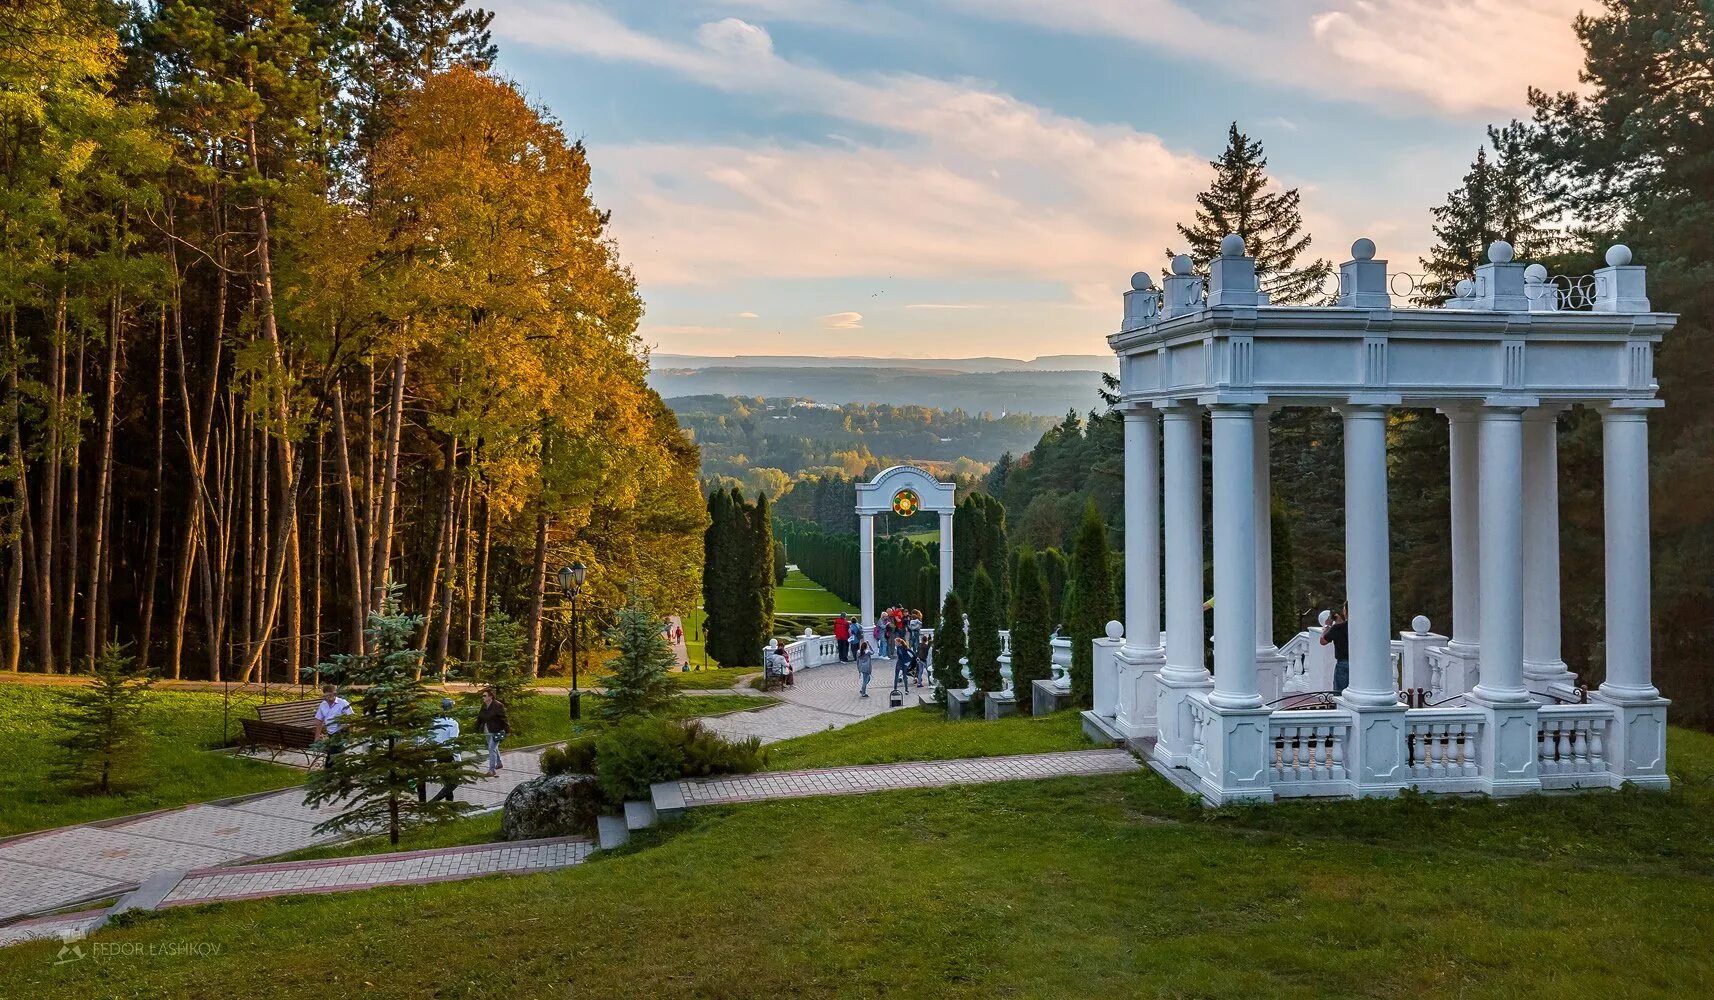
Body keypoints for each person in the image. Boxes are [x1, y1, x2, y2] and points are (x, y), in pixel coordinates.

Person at [420, 698, 461, 803]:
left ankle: (449, 803)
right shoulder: (453, 723)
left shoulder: (434, 722)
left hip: (437, 753)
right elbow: (453, 742)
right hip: (448, 754)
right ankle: (434, 802)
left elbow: (428, 738)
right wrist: (458, 759)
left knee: (447, 781)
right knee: (454, 782)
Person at [312, 683, 353, 769]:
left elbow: (351, 718)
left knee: (333, 754)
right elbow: (319, 721)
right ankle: (342, 775)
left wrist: (344, 725)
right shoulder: (323, 705)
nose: (330, 696)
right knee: (337, 754)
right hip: (331, 733)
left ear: (335, 694)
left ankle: (328, 773)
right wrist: (317, 737)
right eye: (328, 694)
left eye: (332, 694)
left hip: (342, 732)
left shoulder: (343, 703)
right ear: (325, 695)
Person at [475, 687, 509, 777]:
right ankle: (499, 763)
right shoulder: (484, 706)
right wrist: (475, 729)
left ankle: (492, 770)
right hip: (488, 730)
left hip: (498, 730)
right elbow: (480, 718)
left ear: (490, 697)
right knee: (493, 747)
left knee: (491, 748)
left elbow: (504, 718)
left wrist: (507, 730)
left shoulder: (498, 705)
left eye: (485, 696)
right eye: (483, 696)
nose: (483, 697)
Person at [1319, 604, 1351, 694]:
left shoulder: (1337, 628)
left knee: (1340, 693)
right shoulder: (1360, 627)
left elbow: (1323, 641)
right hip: (1360, 664)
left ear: (1345, 612)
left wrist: (1327, 626)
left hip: (1343, 663)